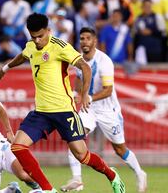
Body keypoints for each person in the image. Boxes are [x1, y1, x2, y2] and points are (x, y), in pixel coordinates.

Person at [0, 13, 126, 193]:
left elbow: (85, 67)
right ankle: (48, 189)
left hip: (64, 111)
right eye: (34, 37)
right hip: (41, 112)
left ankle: (112, 175)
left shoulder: (60, 47)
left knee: (82, 156)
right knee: (17, 146)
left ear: (49, 30)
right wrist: (5, 68)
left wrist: (84, 93)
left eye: (41, 36)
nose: (38, 40)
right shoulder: (31, 46)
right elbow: (24, 56)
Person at [60, 27, 147, 192]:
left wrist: (89, 97)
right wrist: (76, 93)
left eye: (87, 38)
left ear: (95, 41)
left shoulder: (104, 61)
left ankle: (140, 173)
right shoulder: (79, 61)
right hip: (89, 109)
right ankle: (77, 179)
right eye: (82, 39)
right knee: (74, 137)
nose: (84, 42)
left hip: (108, 110)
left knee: (119, 149)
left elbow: (108, 90)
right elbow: (79, 79)